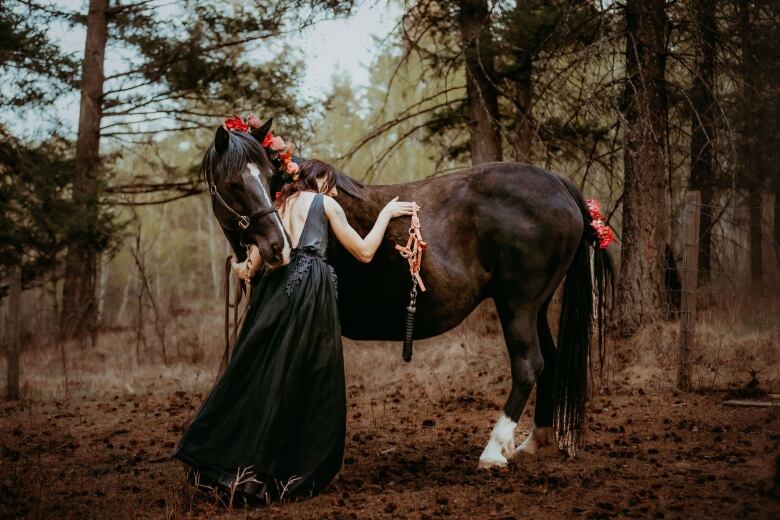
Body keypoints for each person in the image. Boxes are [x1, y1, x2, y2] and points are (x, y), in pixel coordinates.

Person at [172, 158, 418, 503]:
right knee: (306, 380)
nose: (332, 190)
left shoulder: (277, 208)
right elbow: (363, 252)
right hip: (310, 292)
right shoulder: (325, 204)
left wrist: (236, 268)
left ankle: (226, 461)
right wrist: (386, 216)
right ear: (316, 180)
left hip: (274, 293)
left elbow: (250, 267)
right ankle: (287, 468)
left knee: (261, 373)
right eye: (329, 182)